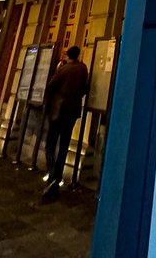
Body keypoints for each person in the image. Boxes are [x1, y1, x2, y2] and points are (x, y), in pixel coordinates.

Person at [41, 45, 89, 200]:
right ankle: (58, 176)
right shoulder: (83, 69)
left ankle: (52, 173)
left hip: (59, 111)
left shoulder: (63, 69)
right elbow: (84, 89)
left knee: (50, 143)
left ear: (68, 55)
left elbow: (50, 86)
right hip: (72, 111)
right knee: (64, 146)